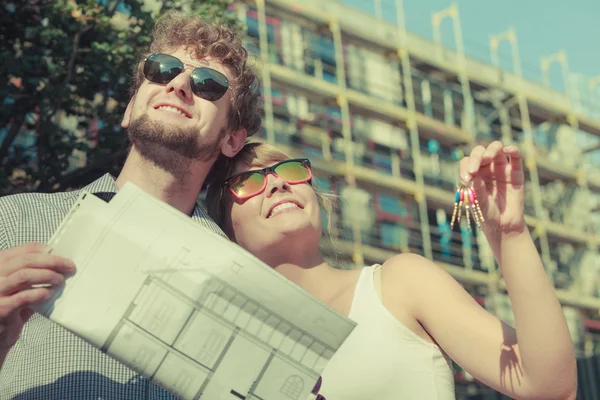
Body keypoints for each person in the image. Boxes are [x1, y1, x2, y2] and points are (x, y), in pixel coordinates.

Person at [0, 11, 261, 399]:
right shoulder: (13, 221)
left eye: (208, 84)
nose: (178, 84)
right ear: (128, 109)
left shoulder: (244, 284)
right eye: (161, 69)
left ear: (232, 140)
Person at [205, 140, 578, 400]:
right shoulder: (227, 347)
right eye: (248, 181)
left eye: (288, 169)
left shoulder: (398, 284)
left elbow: (548, 384)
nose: (277, 182)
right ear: (224, 226)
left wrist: (509, 235)